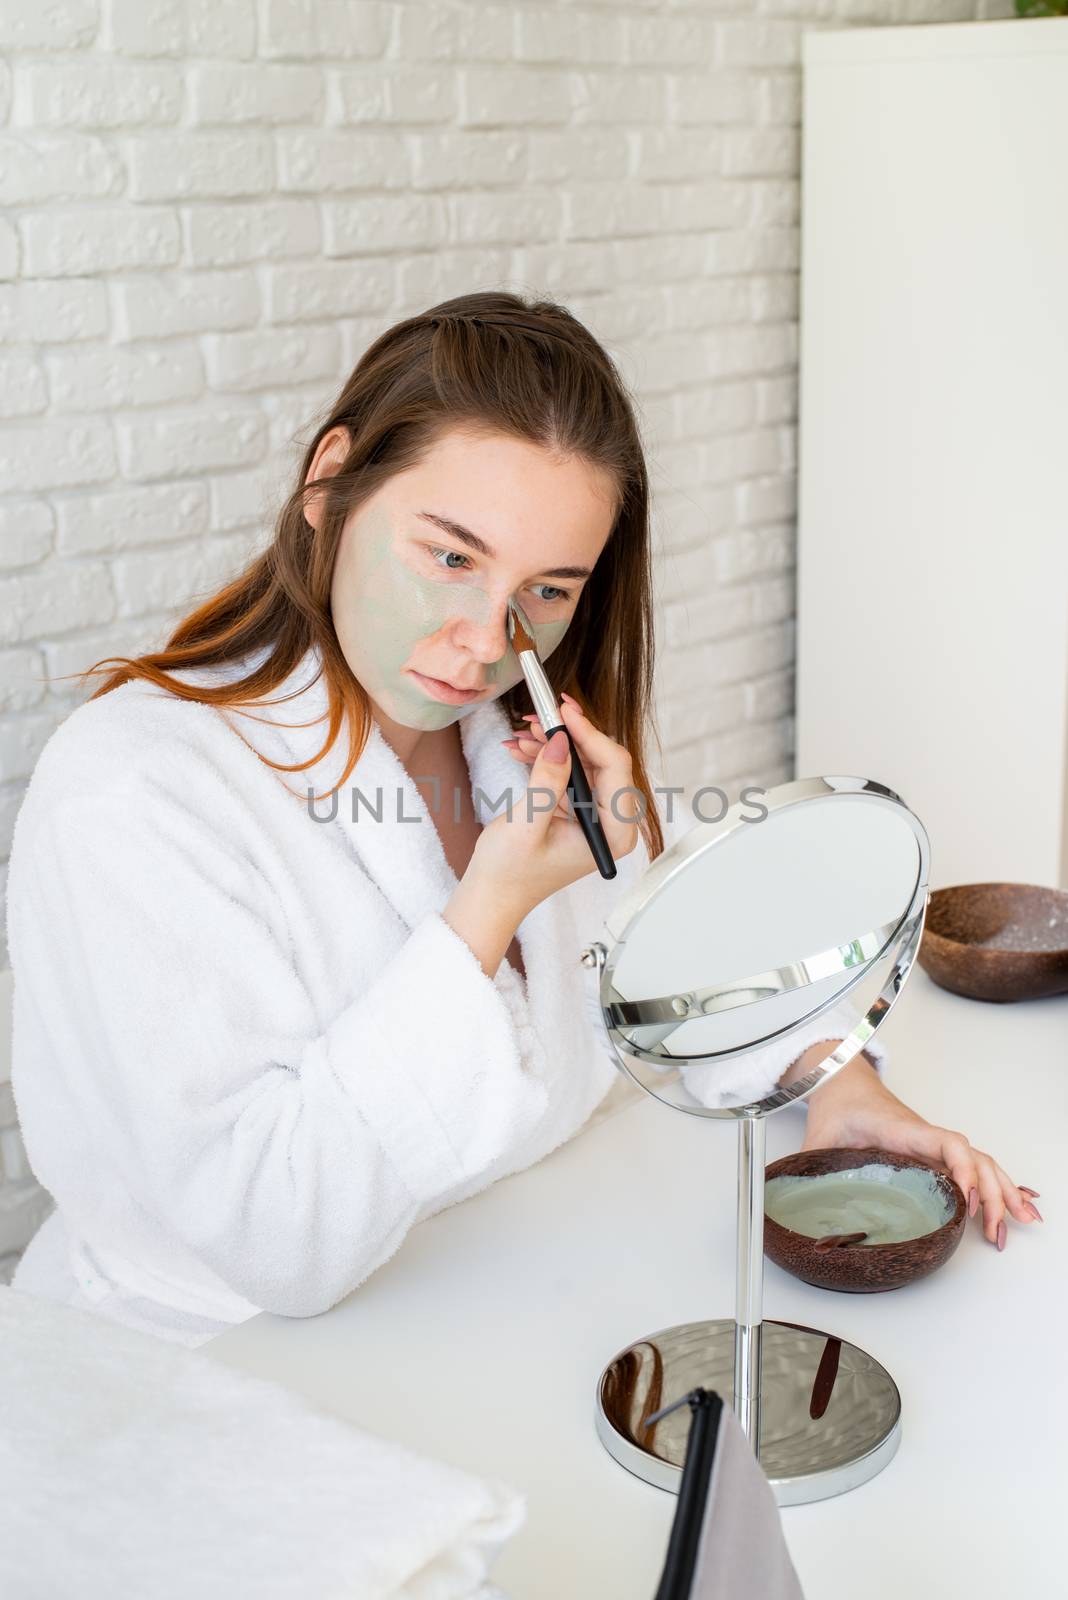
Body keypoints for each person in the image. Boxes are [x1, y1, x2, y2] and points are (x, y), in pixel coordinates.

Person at [5, 293, 1041, 1349]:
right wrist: (484, 915)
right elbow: (276, 1239)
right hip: (203, 1368)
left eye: (545, 590)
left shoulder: (517, 751)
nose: (484, 639)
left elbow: (660, 989)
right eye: (450, 557)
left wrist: (837, 1083)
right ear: (329, 483)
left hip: (492, 1300)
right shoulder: (133, 791)